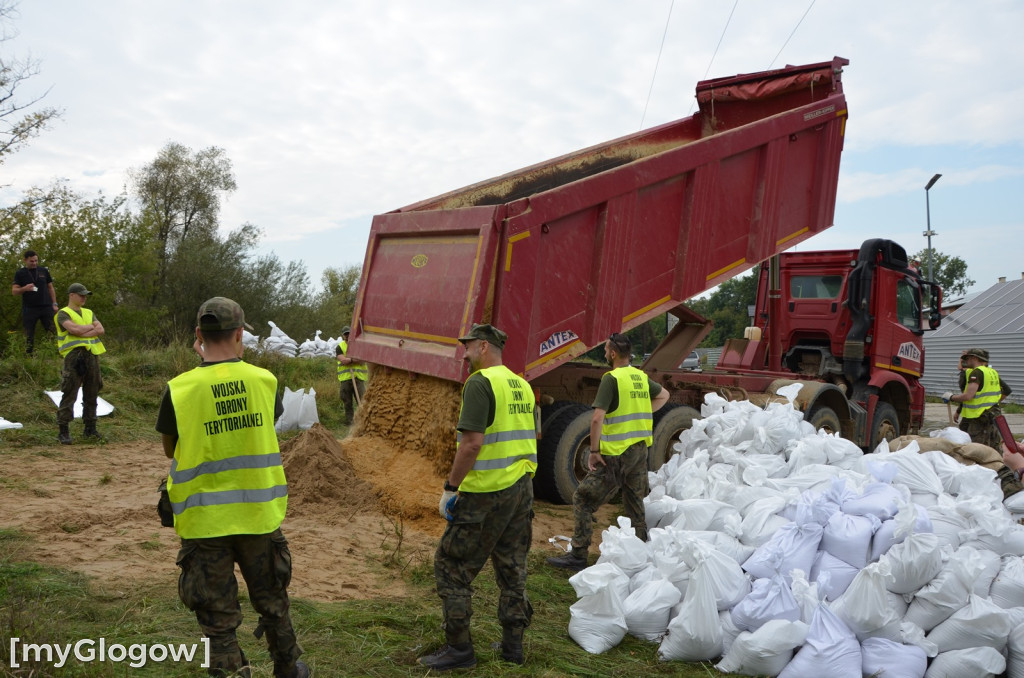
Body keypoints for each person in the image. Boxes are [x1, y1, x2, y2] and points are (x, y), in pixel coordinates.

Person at [156, 297, 308, 678]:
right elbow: (261, 429)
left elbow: (172, 448)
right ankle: (289, 668)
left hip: (204, 521)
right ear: (240, 333)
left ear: (198, 335)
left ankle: (231, 672)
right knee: (273, 600)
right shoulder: (265, 381)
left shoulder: (180, 388)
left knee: (217, 616)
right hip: (258, 515)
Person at [419, 323, 538, 671]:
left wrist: (450, 488)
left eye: (469, 346)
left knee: (451, 566)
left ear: (484, 346)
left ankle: (459, 650)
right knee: (512, 566)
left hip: (487, 491)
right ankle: (513, 647)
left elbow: (472, 443)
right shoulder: (522, 385)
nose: (465, 352)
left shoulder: (480, 383)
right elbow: (533, 434)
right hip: (521, 488)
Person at [547, 332, 669, 572]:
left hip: (616, 454)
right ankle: (640, 553)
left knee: (583, 498)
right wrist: (643, 411)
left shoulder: (611, 379)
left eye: (605, 350)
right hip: (639, 450)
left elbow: (596, 418)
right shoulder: (639, 377)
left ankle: (579, 554)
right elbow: (664, 395)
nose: (604, 354)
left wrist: (593, 450)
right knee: (634, 503)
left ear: (613, 354)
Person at [55, 283, 106, 445]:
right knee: (70, 391)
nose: (84, 298)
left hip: (92, 355)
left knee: (92, 391)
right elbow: (74, 330)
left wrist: (84, 329)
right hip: (74, 356)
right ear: (71, 295)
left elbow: (101, 330)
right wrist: (91, 328)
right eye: (81, 295)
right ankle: (63, 430)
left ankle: (90, 428)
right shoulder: (63, 313)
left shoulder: (89, 312)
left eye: (85, 295)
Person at [11, 249, 60, 355]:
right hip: (30, 308)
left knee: (52, 331)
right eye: (31, 261)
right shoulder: (20, 273)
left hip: (46, 306)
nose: (34, 263)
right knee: (28, 333)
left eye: (36, 261)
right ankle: (28, 355)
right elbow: (14, 291)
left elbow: (50, 287)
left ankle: (56, 354)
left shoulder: (43, 271)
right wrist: (25, 288)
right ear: (25, 260)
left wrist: (54, 303)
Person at [335, 325, 367, 426]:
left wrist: (350, 360)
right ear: (343, 335)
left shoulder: (359, 345)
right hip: (346, 379)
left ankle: (363, 421)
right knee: (347, 401)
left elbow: (362, 360)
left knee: (362, 401)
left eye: (349, 333)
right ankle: (350, 422)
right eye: (345, 334)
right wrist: (353, 359)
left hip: (358, 378)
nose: (347, 335)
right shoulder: (340, 347)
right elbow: (343, 361)